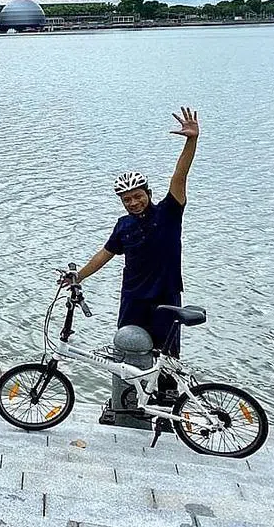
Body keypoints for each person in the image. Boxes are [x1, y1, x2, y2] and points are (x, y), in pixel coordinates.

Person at [69, 107, 199, 360]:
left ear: (148, 194)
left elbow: (180, 175)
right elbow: (104, 254)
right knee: (126, 354)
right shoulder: (123, 225)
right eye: (127, 200)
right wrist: (79, 276)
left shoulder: (169, 212)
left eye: (138, 196)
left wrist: (191, 140)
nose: (134, 203)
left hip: (165, 296)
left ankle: (170, 387)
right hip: (133, 298)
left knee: (166, 359)